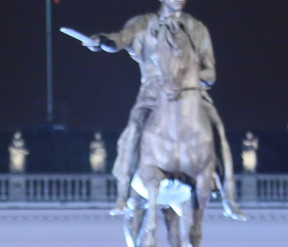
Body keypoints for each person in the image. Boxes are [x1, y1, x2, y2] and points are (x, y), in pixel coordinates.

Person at [88, 0, 238, 214]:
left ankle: (227, 195)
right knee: (135, 126)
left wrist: (185, 80)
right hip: (153, 94)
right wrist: (102, 41)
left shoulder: (198, 29)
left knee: (217, 129)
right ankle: (123, 193)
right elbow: (120, 40)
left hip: (191, 94)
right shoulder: (142, 24)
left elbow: (210, 73)